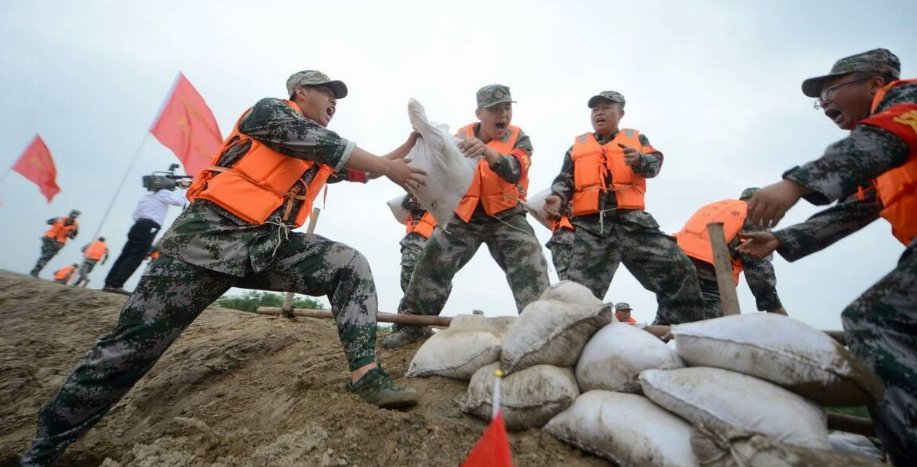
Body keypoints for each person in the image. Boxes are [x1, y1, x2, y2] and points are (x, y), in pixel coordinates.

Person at [20, 70, 427, 466]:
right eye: (327, 92)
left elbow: (362, 168)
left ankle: (365, 375)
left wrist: (408, 148)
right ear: (300, 91)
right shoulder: (270, 113)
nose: (333, 101)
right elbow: (332, 149)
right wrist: (391, 168)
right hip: (204, 243)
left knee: (348, 264)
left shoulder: (318, 150)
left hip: (264, 246)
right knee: (127, 352)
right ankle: (43, 448)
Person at [739, 48, 915, 465]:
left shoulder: (906, 103)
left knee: (877, 318)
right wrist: (782, 240)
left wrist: (796, 184)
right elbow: (857, 207)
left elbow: (878, 140)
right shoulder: (888, 156)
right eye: (820, 99)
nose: (824, 104)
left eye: (832, 90)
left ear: (875, 83)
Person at [383, 84, 551, 348]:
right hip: (464, 216)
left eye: (507, 108)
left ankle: (542, 332)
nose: (503, 114)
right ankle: (411, 327)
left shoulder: (519, 138)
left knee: (530, 266)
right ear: (479, 113)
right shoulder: (458, 136)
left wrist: (487, 152)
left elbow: (515, 169)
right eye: (495, 109)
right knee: (431, 264)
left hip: (507, 216)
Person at [543, 91, 705, 325]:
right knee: (576, 296)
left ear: (621, 113)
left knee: (680, 270)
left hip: (634, 224)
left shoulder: (637, 140)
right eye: (595, 108)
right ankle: (572, 342)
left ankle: (674, 331)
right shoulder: (576, 149)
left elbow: (655, 165)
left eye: (606, 107)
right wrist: (557, 197)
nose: (599, 112)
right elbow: (564, 181)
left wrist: (640, 160)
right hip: (592, 230)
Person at [674, 188, 788, 317]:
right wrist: (773, 305)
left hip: (674, 263)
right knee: (717, 326)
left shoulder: (718, 208)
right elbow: (756, 263)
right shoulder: (752, 215)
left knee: (672, 317)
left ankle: (654, 333)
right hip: (706, 270)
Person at [101, 180, 190, 295]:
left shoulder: (148, 196)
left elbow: (136, 215)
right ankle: (116, 284)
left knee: (125, 255)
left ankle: (109, 283)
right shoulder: (163, 193)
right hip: (149, 227)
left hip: (138, 225)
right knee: (136, 256)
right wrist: (184, 189)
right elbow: (179, 201)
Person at [398, 194, 436, 292]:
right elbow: (408, 202)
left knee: (430, 279)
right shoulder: (417, 192)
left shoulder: (442, 193)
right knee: (408, 277)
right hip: (417, 239)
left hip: (431, 240)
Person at [29, 210, 80, 277]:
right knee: (44, 255)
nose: (72, 217)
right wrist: (54, 221)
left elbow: (73, 237)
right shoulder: (59, 219)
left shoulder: (75, 227)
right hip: (48, 239)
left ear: (76, 217)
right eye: (72, 215)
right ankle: (35, 271)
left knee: (46, 257)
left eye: (74, 216)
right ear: (69, 214)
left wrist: (69, 235)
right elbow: (48, 222)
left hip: (58, 243)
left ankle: (35, 271)